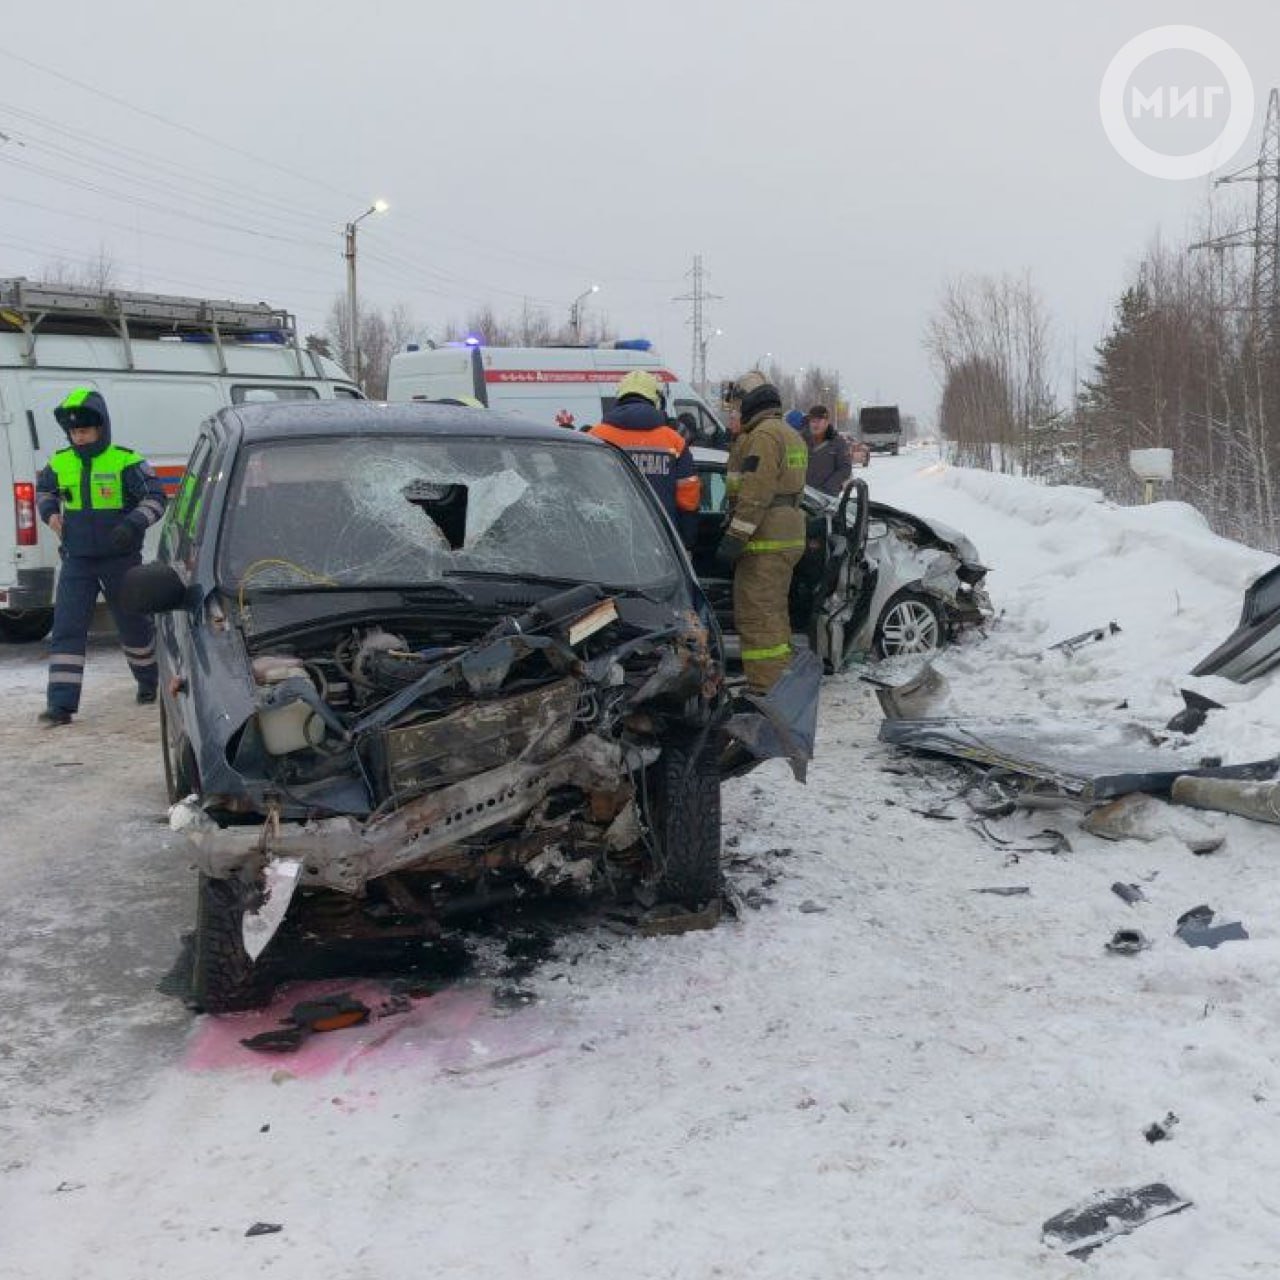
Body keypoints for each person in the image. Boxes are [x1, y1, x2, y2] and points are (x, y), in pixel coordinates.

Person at [34, 388, 168, 726]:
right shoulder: (60, 462)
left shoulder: (126, 460)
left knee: (134, 626)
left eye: (85, 430)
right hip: (77, 560)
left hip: (120, 561)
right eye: (74, 432)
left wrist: (133, 523)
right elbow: (45, 491)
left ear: (101, 428)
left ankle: (150, 683)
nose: (79, 437)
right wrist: (49, 512)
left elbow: (156, 498)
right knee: (66, 629)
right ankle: (60, 706)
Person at [717, 371, 808, 694]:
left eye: (737, 407)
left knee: (757, 618)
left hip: (764, 540)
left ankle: (764, 691)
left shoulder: (763, 437)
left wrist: (734, 538)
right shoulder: (787, 432)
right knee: (773, 615)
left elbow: (755, 493)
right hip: (784, 534)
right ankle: (780, 684)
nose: (734, 413)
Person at [588, 370, 700, 542]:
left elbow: (584, 489)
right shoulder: (673, 440)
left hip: (606, 539)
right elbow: (688, 498)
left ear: (619, 397)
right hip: (660, 542)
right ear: (656, 400)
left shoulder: (596, 436)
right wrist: (685, 540)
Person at [802, 404, 852, 497]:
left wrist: (827, 489)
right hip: (804, 498)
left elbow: (845, 469)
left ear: (826, 422)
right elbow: (793, 467)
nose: (815, 424)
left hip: (827, 498)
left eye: (819, 421)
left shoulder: (838, 442)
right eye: (813, 421)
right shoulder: (799, 442)